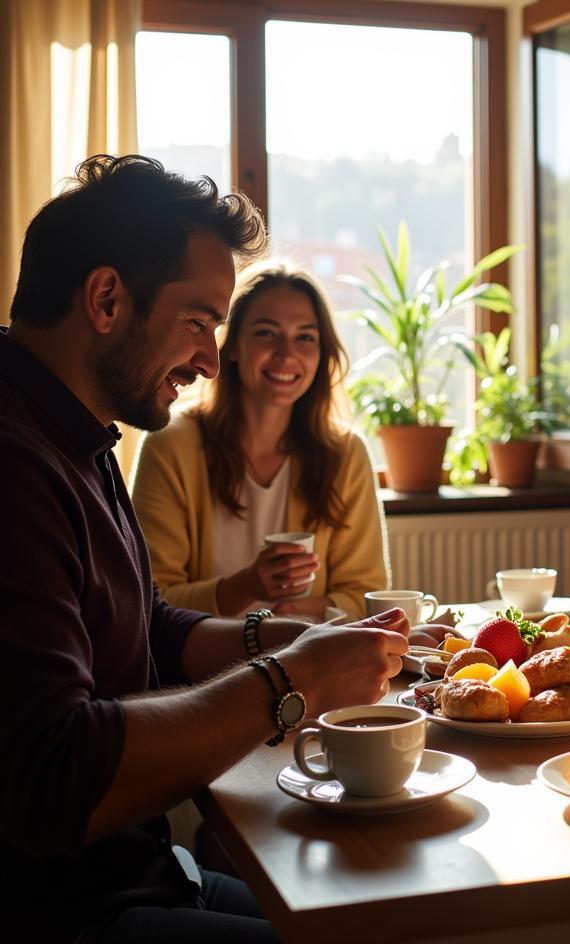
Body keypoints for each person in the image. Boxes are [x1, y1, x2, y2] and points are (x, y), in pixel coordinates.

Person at [0, 155, 410, 943]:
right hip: (70, 911)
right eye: (199, 321)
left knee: (377, 915)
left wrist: (284, 636)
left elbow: (148, 625)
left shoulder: (80, 434)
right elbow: (57, 775)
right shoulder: (11, 462)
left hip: (144, 871)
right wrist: (290, 679)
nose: (207, 359)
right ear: (107, 299)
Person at [131, 261, 388, 622]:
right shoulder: (171, 444)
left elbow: (367, 596)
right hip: (199, 671)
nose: (286, 354)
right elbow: (147, 599)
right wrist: (246, 587)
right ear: (232, 346)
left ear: (321, 354)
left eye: (305, 337)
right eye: (267, 333)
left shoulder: (344, 454)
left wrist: (288, 612)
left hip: (311, 668)